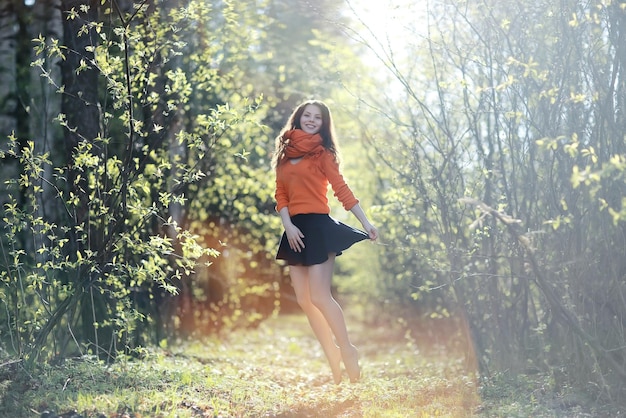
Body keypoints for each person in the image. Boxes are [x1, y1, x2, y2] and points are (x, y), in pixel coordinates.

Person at [272, 99, 378, 384]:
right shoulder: (283, 153)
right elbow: (280, 193)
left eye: (316, 118)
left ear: (322, 124)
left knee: (319, 296)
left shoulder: (322, 153)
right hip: (294, 229)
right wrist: (288, 226)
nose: (310, 120)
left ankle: (347, 349)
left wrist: (366, 222)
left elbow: (341, 189)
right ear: (298, 117)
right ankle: (330, 353)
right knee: (305, 301)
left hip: (318, 227)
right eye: (307, 115)